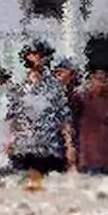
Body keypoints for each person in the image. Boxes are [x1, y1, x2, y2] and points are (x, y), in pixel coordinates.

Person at [6, 41, 75, 174]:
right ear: (26, 57)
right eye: (33, 54)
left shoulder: (55, 86)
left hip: (50, 148)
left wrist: (69, 146)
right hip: (23, 148)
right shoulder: (18, 86)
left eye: (41, 55)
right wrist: (9, 141)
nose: (37, 58)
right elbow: (12, 117)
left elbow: (64, 118)